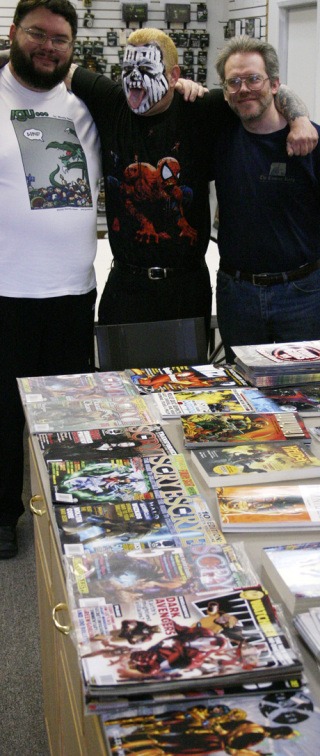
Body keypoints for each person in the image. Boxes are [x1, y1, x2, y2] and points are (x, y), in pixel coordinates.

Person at [68, 28, 318, 346]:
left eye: (146, 71)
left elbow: (262, 92)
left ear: (173, 76)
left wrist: (300, 119)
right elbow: (57, 63)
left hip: (186, 286)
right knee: (122, 387)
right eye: (127, 71)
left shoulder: (201, 108)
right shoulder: (112, 102)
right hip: (127, 284)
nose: (134, 80)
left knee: (190, 389)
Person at [0, 0, 102, 558]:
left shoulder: (86, 102)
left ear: (72, 47)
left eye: (60, 39)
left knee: (66, 413)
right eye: (38, 34)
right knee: (0, 415)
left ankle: (71, 508)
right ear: (15, 33)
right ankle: (1, 516)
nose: (48, 46)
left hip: (71, 289)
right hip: (5, 290)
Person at [213, 35, 320, 362]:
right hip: (237, 295)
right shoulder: (219, 133)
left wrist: (300, 118)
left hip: (301, 295)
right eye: (234, 81)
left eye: (254, 78)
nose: (244, 88)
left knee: (304, 394)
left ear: (274, 84)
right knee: (241, 394)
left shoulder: (310, 141)